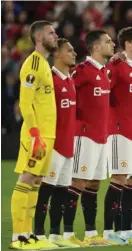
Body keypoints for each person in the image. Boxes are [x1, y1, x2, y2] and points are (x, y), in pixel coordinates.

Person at [62, 30, 115, 246]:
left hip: (102, 137)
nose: (113, 44)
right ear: (95, 47)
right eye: (108, 41)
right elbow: (65, 94)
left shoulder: (104, 72)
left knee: (94, 184)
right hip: (84, 135)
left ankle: (92, 234)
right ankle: (66, 234)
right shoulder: (82, 70)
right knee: (78, 183)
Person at [10, 20, 58, 250]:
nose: (55, 35)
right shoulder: (33, 64)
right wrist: (35, 134)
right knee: (27, 179)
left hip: (48, 135)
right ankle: (17, 237)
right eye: (51, 33)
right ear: (39, 37)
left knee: (36, 183)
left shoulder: (46, 65)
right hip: (36, 135)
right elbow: (25, 104)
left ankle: (29, 234)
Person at [102, 27, 132, 245]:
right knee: (119, 178)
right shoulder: (116, 65)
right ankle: (105, 232)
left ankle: (126, 231)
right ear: (127, 44)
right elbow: (103, 91)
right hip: (120, 131)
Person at [33, 38, 80, 247]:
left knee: (62, 191)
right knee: (46, 191)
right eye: (70, 50)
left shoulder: (70, 80)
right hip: (53, 146)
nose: (74, 53)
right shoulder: (50, 79)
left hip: (69, 145)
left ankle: (55, 234)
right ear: (59, 54)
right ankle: (38, 234)